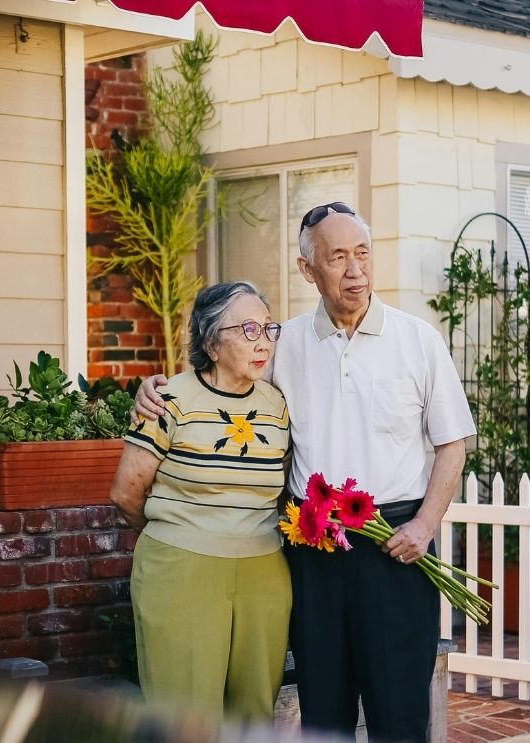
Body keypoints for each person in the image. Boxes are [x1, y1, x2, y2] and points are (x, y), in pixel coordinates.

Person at [135, 203, 475, 742]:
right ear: (307, 268)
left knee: (400, 713)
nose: (354, 270)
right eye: (337, 257)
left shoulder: (418, 340)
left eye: (362, 253)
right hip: (310, 549)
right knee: (324, 710)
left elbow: (453, 443)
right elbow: (221, 377)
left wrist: (425, 526)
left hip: (396, 547)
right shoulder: (282, 343)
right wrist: (157, 386)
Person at [110, 280, 291, 722]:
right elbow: (126, 493)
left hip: (264, 572)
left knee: (253, 713)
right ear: (211, 341)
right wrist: (180, 535)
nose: (262, 341)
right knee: (186, 718)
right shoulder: (169, 399)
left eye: (269, 329)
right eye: (247, 330)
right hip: (181, 571)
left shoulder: (277, 404)